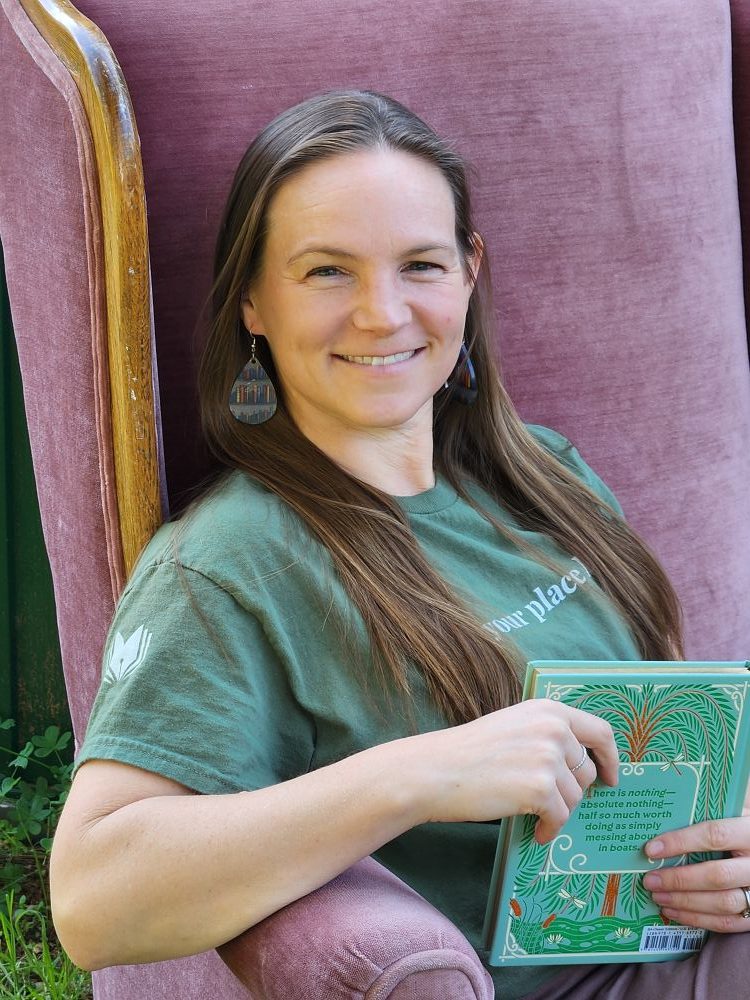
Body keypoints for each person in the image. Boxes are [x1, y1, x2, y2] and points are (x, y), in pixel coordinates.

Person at [49, 90, 750, 1000]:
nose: (382, 314)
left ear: (468, 272)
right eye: (327, 272)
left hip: (686, 945)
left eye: (419, 264)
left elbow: (679, 721)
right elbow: (92, 900)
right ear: (253, 300)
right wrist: (420, 774)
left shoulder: (547, 473)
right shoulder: (227, 567)